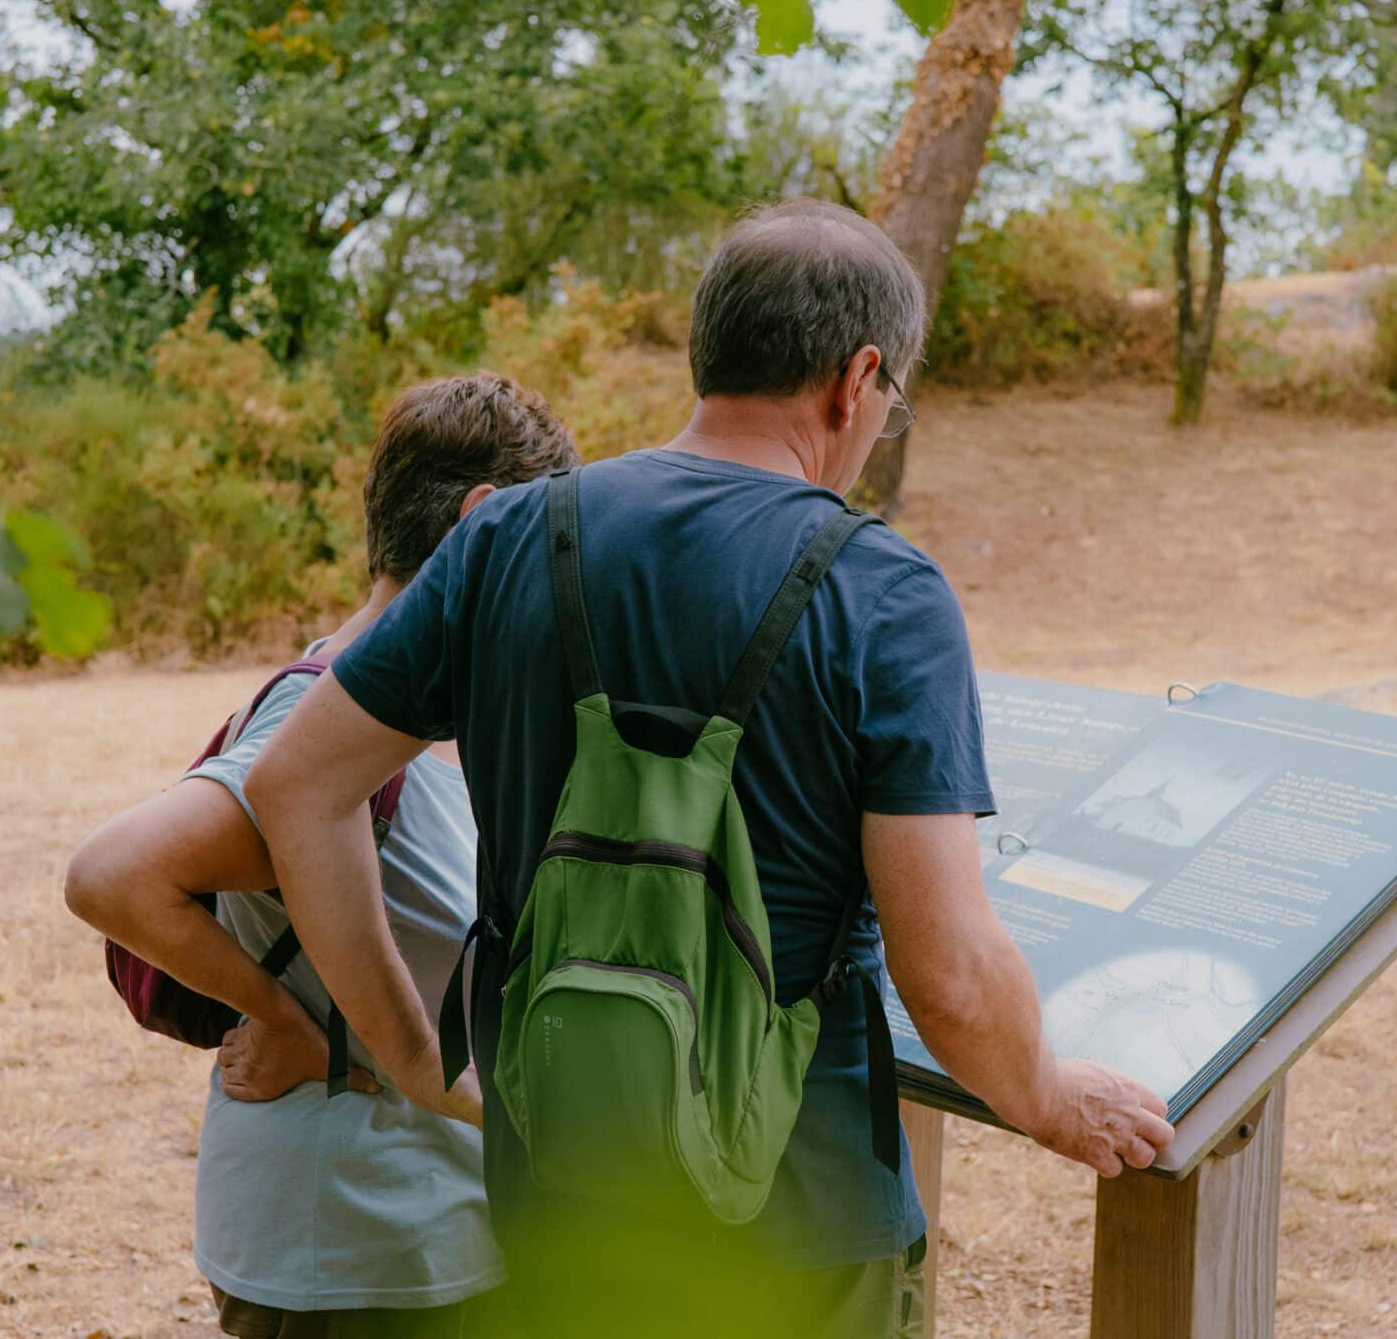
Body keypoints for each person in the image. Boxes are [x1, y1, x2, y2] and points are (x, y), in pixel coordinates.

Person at [243, 200, 1177, 1338]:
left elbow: (296, 786)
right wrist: (1043, 1094)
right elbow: (949, 975)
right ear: (855, 378)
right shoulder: (879, 592)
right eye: (889, 404)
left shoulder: (504, 539)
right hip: (796, 1226)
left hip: (556, 1199)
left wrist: (412, 1056)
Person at [63, 372, 579, 1339]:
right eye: (546, 546)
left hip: (407, 1241)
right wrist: (287, 1019)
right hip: (347, 1259)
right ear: (483, 523)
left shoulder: (407, 718)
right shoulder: (321, 718)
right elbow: (111, 872)